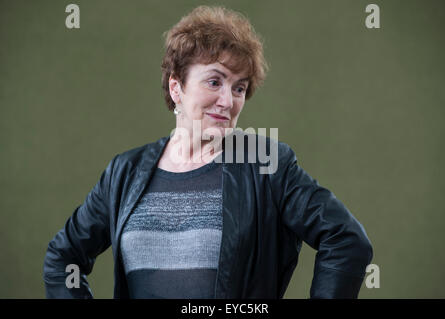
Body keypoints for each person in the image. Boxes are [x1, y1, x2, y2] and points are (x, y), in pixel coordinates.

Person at [43, 5, 373, 299]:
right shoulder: (124, 173)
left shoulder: (266, 164)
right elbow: (63, 258)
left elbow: (347, 241)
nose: (229, 101)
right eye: (214, 82)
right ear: (177, 88)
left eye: (239, 87)